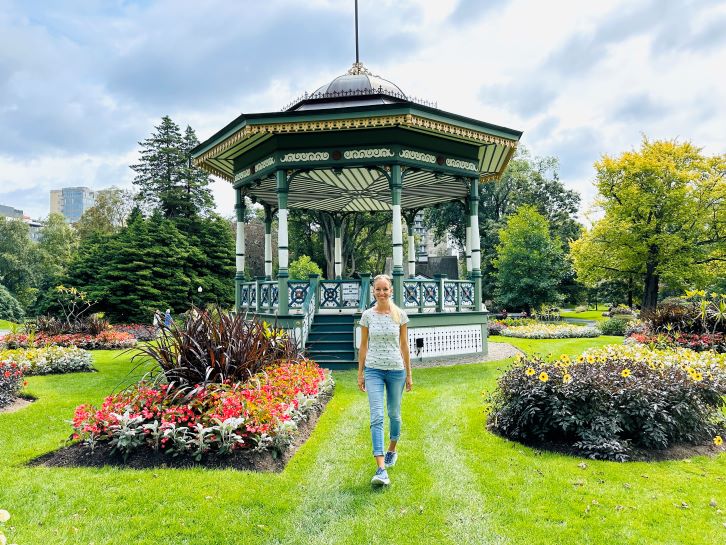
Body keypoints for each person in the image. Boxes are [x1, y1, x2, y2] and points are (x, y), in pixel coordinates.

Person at [357, 274, 413, 486]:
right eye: (378, 289)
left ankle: (392, 449)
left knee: (394, 414)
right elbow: (363, 346)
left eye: (385, 289)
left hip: (396, 371)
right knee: (377, 416)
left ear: (391, 291)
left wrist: (409, 374)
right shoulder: (367, 316)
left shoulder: (400, 315)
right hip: (373, 371)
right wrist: (360, 373)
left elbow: (404, 346)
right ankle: (381, 469)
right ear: (373, 291)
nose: (381, 293)